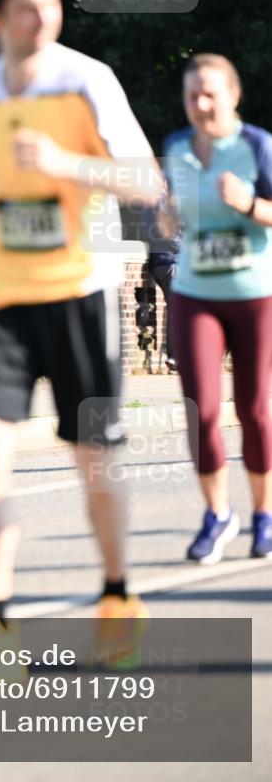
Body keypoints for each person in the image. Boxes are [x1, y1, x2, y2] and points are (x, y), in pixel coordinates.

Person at [0, 0, 163, 665]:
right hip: (4, 295)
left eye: (51, 3)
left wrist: (67, 165)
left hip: (81, 291)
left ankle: (115, 594)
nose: (45, 18)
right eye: (27, 8)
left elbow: (144, 181)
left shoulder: (85, 80)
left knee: (94, 459)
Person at [163, 54, 272, 562]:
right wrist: (164, 216)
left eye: (210, 94)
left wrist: (250, 205)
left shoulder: (257, 146)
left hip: (254, 294)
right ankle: (217, 515)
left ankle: (264, 516)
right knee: (202, 411)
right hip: (195, 294)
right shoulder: (177, 149)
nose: (201, 105)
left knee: (254, 410)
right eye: (192, 96)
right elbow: (172, 222)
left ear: (234, 95)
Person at [140, 195, 181, 370]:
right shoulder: (162, 203)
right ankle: (176, 356)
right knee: (178, 309)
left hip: (163, 263)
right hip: (169, 263)